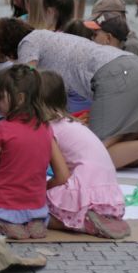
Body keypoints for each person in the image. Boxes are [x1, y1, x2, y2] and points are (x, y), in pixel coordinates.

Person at [0, 18, 138, 169]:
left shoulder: (27, 42)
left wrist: (11, 112)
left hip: (118, 74)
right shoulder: (49, 38)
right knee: (126, 144)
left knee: (95, 155)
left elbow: (26, 82)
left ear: (5, 45)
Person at [0, 66, 68, 239]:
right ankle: (33, 222)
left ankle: (5, 223)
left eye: (0, 97)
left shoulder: (4, 128)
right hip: (35, 204)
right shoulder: (45, 128)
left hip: (2, 203)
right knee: (31, 214)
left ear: (20, 98)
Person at [38, 71, 130, 239]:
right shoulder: (70, 122)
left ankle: (81, 223)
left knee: (33, 211)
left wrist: (41, 189)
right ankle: (95, 217)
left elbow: (61, 177)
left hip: (85, 188)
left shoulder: (48, 129)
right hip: (107, 191)